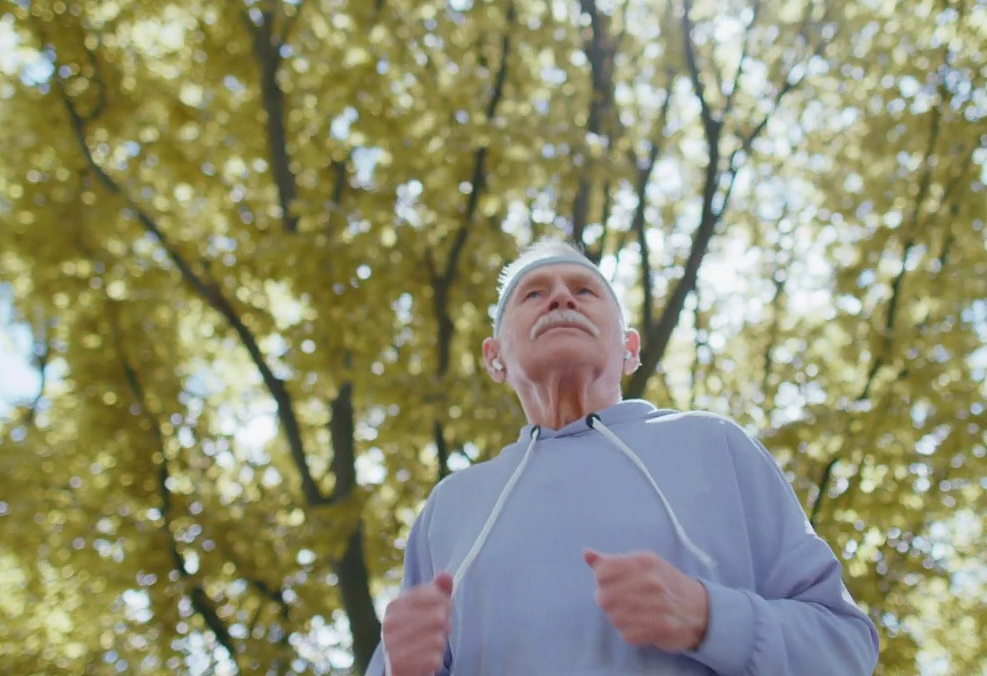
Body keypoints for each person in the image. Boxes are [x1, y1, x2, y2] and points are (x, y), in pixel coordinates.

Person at [365, 239, 880, 675]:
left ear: (630, 349)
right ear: (494, 357)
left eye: (584, 290)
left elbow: (846, 646)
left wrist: (710, 618)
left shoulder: (715, 446)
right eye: (534, 293)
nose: (561, 298)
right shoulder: (448, 509)